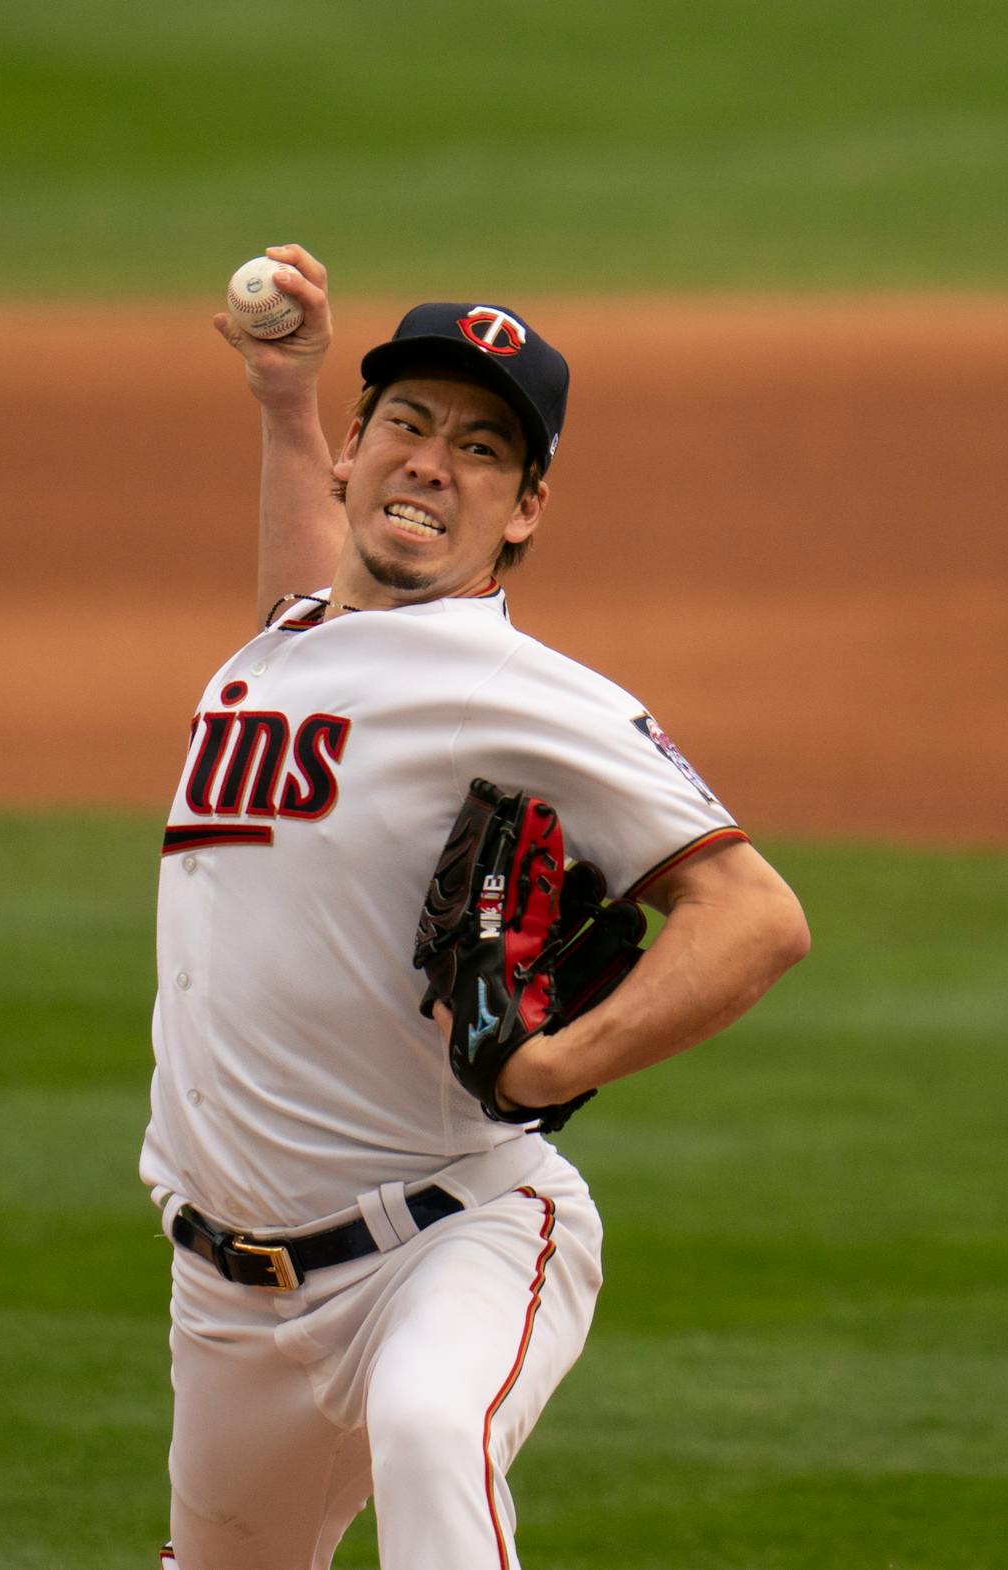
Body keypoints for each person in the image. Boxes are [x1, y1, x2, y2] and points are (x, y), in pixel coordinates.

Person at [142, 244, 809, 1569]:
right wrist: (284, 402)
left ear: (524, 510)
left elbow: (755, 913)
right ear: (355, 450)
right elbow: (317, 610)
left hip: (452, 1236)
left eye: (483, 449)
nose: (433, 463)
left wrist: (555, 1063)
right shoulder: (284, 648)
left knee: (431, 1426)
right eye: (408, 424)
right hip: (229, 1300)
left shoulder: (523, 691)